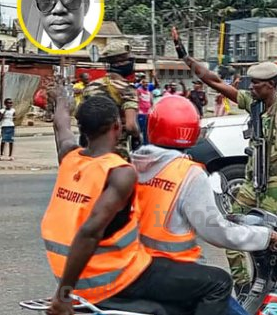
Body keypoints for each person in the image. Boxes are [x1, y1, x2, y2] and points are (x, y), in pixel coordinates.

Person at [42, 87, 234, 315]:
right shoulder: (119, 171)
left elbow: (61, 127)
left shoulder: (69, 157)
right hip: (114, 276)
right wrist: (63, 295)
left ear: (82, 128)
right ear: (117, 126)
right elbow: (90, 232)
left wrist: (60, 102)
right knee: (219, 282)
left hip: (74, 272)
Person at [131, 95, 277, 315]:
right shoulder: (187, 173)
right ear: (191, 131)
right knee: (223, 289)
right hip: (175, 270)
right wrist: (266, 236)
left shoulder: (133, 164)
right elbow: (218, 232)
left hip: (137, 265)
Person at [172, 26, 277, 292]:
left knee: (276, 241)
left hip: (276, 186)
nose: (251, 86)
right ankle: (244, 285)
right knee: (229, 229)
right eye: (251, 83)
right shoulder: (252, 103)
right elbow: (214, 80)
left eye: (257, 83)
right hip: (250, 184)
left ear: (272, 85)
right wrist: (184, 56)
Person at [82, 41, 141, 160]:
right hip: (115, 154)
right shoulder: (127, 90)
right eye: (128, 59)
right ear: (120, 63)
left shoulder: (91, 87)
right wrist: (137, 137)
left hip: (89, 152)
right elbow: (131, 126)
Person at [136, 77, 152, 145]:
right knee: (140, 129)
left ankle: (146, 144)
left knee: (147, 130)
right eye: (144, 82)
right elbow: (136, 100)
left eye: (147, 83)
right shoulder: (139, 90)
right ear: (141, 83)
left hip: (148, 113)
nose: (146, 84)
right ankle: (138, 143)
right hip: (141, 113)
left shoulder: (149, 91)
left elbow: (151, 102)